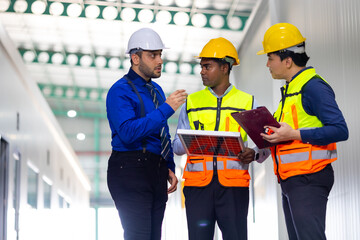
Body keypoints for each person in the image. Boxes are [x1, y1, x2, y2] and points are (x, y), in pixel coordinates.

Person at [257, 23, 349, 240]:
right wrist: (260, 149)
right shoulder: (291, 91)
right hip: (292, 179)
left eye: (270, 58)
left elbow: (339, 130)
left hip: (309, 177)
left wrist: (294, 135)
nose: (267, 64)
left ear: (287, 60)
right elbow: (286, 136)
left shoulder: (313, 87)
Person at [173, 37, 270, 240]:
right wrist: (189, 140)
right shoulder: (191, 102)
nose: (202, 71)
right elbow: (177, 147)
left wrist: (253, 153)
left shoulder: (248, 101)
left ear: (225, 67)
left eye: (207, 66)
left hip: (234, 188)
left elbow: (266, 143)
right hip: (197, 188)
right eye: (201, 66)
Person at [106, 28, 187, 240]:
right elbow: (127, 132)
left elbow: (162, 132)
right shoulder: (120, 91)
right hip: (129, 169)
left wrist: (168, 165)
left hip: (155, 169)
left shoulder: (157, 91)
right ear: (135, 58)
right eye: (153, 55)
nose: (160, 60)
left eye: (160, 54)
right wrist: (166, 109)